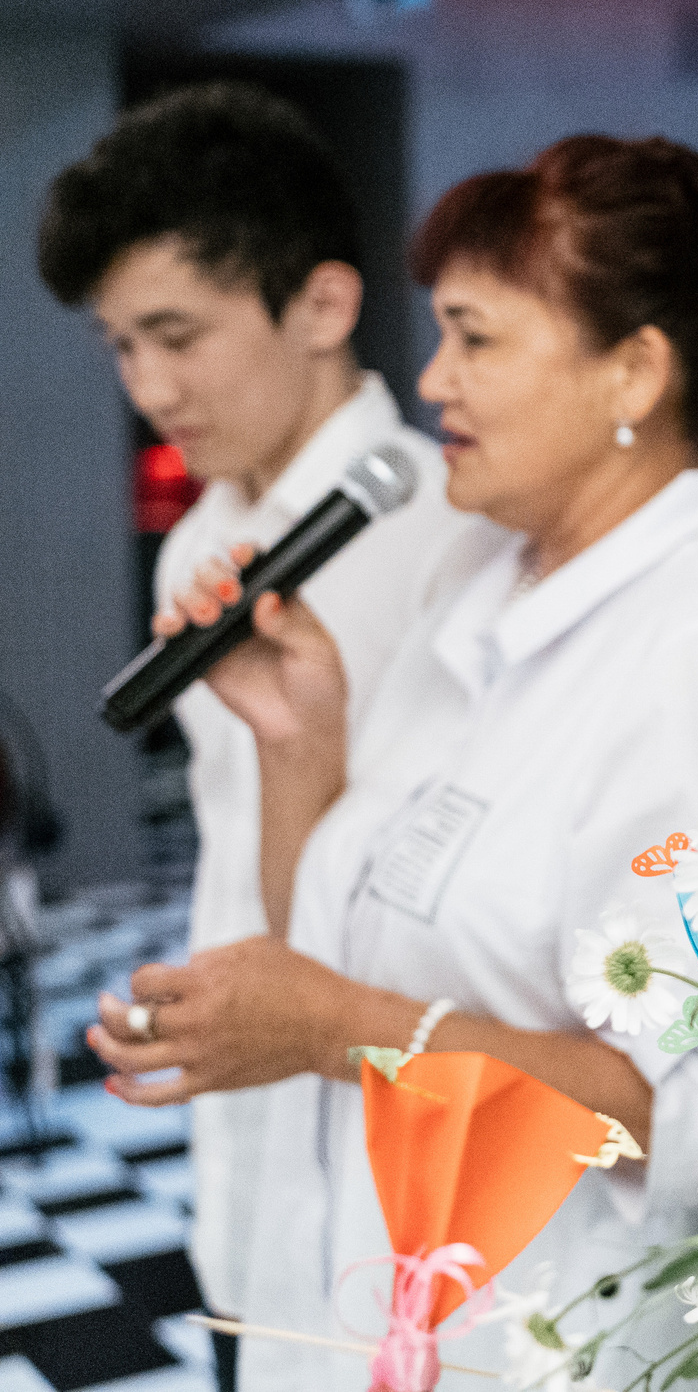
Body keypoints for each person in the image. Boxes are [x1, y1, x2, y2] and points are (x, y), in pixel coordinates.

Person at [86, 135, 698, 1388]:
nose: (432, 379)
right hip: (395, 1307)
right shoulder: (480, 575)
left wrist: (341, 1032)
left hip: (582, 1341)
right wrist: (302, 747)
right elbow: (342, 943)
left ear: (633, 370)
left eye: (476, 338)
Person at [38, 82, 500, 1378]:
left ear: (324, 304)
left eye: (178, 332)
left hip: (404, 1100)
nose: (152, 385)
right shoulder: (199, 535)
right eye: (122, 344)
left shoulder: (444, 543)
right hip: (247, 1100)